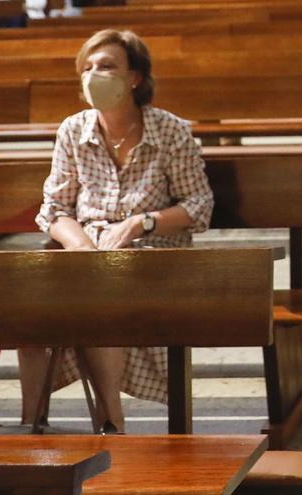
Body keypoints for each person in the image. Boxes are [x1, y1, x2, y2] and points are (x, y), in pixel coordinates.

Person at [20, 29, 214, 432]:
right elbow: (55, 208)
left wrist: (140, 223)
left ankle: (110, 419)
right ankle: (31, 422)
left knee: (103, 288)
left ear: (134, 78)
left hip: (155, 253)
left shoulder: (169, 131)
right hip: (88, 253)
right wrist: (80, 246)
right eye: (87, 68)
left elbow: (198, 205)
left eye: (106, 66)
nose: (94, 75)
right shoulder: (74, 130)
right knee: (28, 308)